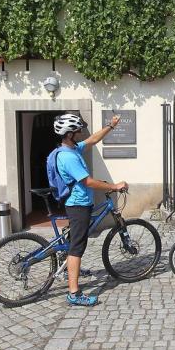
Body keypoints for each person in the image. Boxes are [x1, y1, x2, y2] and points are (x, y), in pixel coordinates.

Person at [53, 113, 129, 306]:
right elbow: (87, 181)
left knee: (74, 243)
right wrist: (113, 186)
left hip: (80, 203)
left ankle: (69, 268)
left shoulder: (73, 148)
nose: (81, 132)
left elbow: (92, 139)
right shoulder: (68, 157)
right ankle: (74, 293)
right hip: (78, 205)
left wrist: (110, 126)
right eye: (78, 130)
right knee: (77, 248)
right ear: (70, 134)